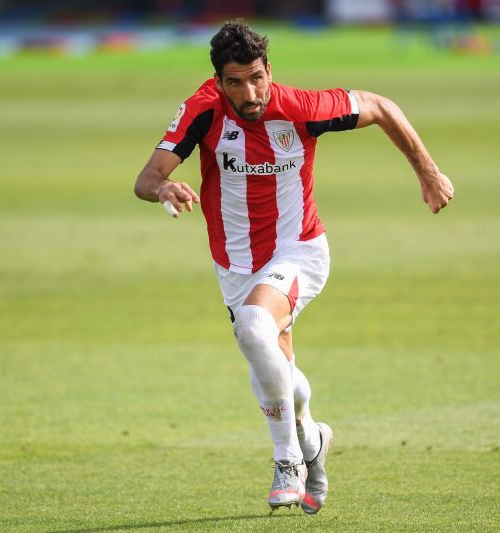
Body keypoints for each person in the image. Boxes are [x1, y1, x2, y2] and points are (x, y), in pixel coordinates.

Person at [134, 19, 453, 514]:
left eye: (257, 77)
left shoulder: (300, 107)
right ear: (219, 82)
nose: (250, 92)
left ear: (269, 71)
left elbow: (381, 107)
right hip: (236, 264)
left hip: (299, 250)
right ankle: (312, 438)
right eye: (235, 82)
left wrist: (429, 174)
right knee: (273, 365)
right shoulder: (203, 110)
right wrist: (163, 189)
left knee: (255, 328)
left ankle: (288, 460)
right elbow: (147, 176)